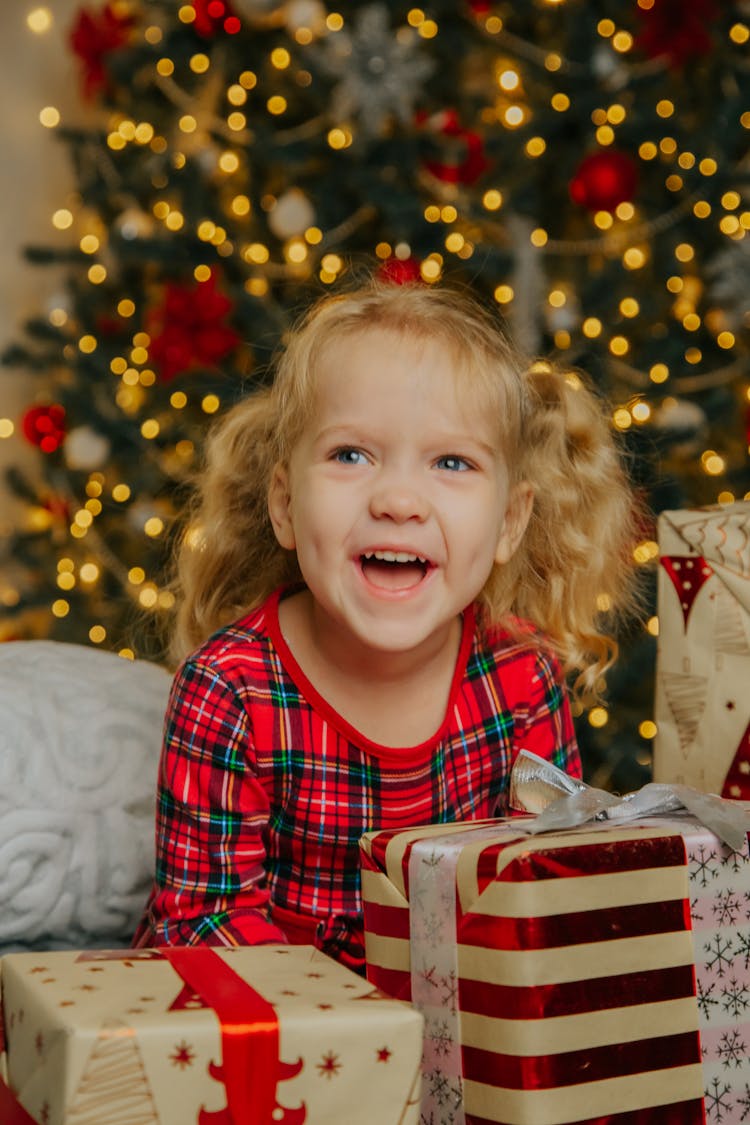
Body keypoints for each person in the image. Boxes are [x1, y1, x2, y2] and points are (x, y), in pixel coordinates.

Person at [133, 279, 640, 971]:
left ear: (509, 523)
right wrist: (361, 1040)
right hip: (278, 1029)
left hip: (456, 1012)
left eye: (451, 462)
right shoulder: (230, 689)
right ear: (284, 504)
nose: (399, 500)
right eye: (351, 454)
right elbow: (205, 920)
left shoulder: (522, 675)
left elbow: (537, 889)